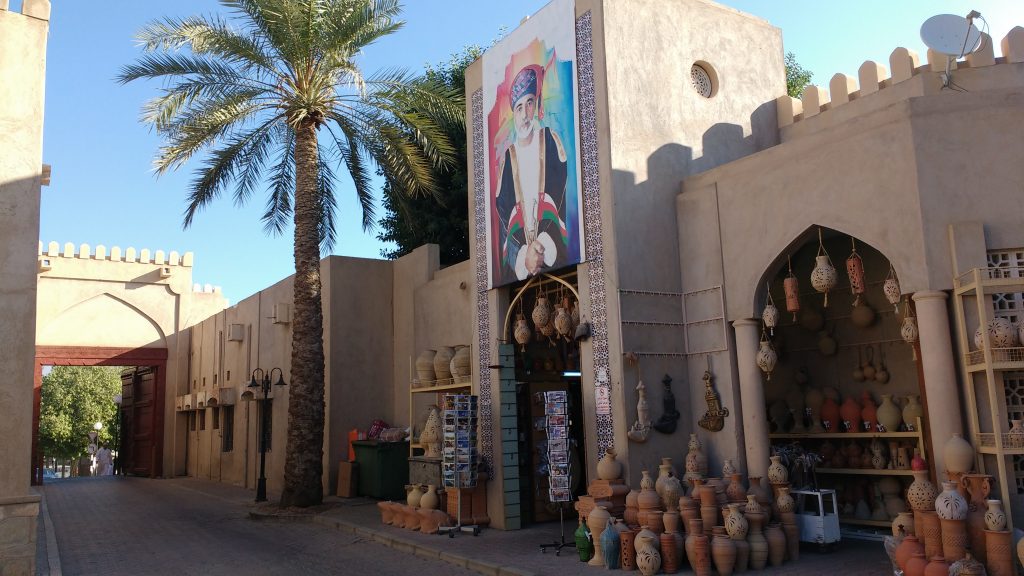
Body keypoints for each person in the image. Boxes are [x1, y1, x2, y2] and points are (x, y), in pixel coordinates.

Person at [495, 65, 570, 284]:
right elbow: (504, 209)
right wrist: (524, 253)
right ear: (513, 115)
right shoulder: (508, 159)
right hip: (520, 255)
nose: (525, 114)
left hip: (551, 244)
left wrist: (540, 246)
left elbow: (559, 195)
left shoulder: (549, 140)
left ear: (536, 105)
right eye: (518, 108)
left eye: (529, 103)